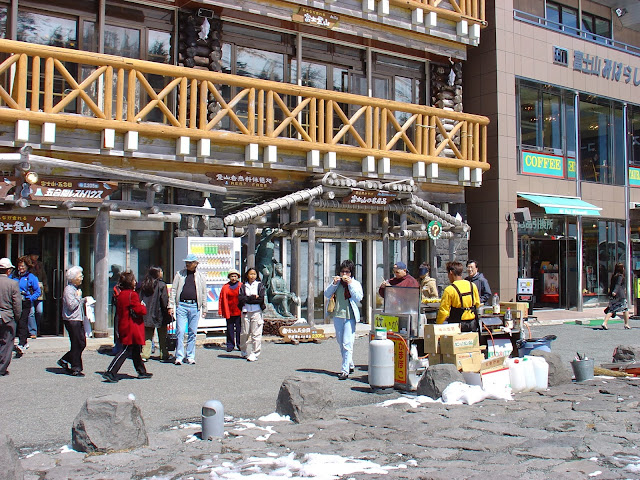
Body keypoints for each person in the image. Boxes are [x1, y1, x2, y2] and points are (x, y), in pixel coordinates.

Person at [102, 271, 151, 383]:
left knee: (135, 350)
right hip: (131, 326)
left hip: (125, 324)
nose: (135, 282)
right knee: (126, 350)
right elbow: (139, 310)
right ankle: (111, 371)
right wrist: (143, 307)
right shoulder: (132, 295)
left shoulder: (122, 294)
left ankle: (141, 371)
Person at [324, 259, 363, 380]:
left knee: (347, 343)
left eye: (347, 272)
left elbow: (358, 297)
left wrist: (350, 283)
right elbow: (326, 293)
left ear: (351, 273)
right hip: (338, 315)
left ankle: (344, 370)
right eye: (342, 272)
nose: (345, 274)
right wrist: (334, 283)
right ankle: (350, 364)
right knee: (341, 342)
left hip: (350, 316)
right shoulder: (337, 283)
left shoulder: (355, 283)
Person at [170, 253, 207, 365]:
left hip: (195, 306)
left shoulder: (200, 276)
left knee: (192, 332)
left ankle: (190, 355)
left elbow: (204, 292)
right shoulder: (179, 274)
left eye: (190, 262)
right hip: (182, 305)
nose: (187, 264)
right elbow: (174, 290)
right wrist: (171, 305)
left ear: (196, 264)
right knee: (180, 331)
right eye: (186, 262)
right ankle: (179, 356)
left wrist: (204, 308)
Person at [57, 266, 87, 376]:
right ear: (73, 278)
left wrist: (84, 300)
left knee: (81, 342)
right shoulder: (69, 290)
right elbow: (71, 305)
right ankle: (76, 367)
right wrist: (79, 297)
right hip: (72, 319)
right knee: (77, 343)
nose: (82, 278)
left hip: (77, 318)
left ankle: (65, 359)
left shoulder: (74, 289)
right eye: (80, 276)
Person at [437, 261, 481, 333]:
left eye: (448, 274)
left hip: (457, 325)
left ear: (451, 273)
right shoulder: (472, 285)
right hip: (472, 324)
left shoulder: (449, 290)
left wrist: (438, 326)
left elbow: (443, 312)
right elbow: (477, 304)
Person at [139, 266, 172, 362]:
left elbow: (140, 298)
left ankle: (145, 355)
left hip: (147, 313)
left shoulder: (144, 284)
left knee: (148, 336)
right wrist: (167, 309)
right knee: (162, 335)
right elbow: (164, 300)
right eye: (160, 271)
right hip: (159, 313)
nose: (162, 273)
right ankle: (164, 354)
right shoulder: (161, 285)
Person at [10, 256, 40, 358]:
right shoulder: (13, 275)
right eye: (19, 266)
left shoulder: (31, 277)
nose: (20, 268)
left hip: (25, 302)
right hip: (14, 302)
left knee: (23, 322)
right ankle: (15, 341)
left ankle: (22, 343)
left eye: (22, 266)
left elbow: (37, 292)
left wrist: (30, 298)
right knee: (13, 321)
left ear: (27, 266)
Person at [238, 268, 266, 362]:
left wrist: (249, 298)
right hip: (246, 310)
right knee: (244, 332)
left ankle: (255, 352)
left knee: (256, 333)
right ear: (247, 275)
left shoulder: (259, 285)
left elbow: (261, 299)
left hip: (257, 311)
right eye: (251, 274)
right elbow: (241, 298)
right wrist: (253, 297)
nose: (252, 276)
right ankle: (243, 350)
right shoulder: (243, 286)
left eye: (254, 274)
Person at [0, 258, 22, 377]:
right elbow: (17, 304)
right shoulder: (13, 284)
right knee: (7, 343)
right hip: (7, 316)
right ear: (8, 271)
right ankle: (2, 368)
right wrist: (17, 317)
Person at [218, 268, 242, 352]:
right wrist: (220, 311)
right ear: (229, 277)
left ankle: (240, 344)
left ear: (237, 277)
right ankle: (230, 345)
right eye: (232, 276)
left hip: (239, 311)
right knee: (229, 329)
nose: (233, 278)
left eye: (235, 276)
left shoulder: (241, 286)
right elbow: (221, 299)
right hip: (229, 311)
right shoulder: (225, 287)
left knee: (240, 329)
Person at [602, 262, 631, 330]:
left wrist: (612, 292)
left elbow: (612, 285)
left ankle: (605, 323)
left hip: (614, 296)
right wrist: (615, 291)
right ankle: (626, 324)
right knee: (624, 309)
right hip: (620, 295)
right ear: (621, 269)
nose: (624, 269)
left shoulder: (614, 276)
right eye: (623, 267)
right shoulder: (620, 276)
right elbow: (618, 284)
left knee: (613, 309)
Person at [28, 251, 47, 338]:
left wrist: (46, 286)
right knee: (31, 311)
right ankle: (32, 331)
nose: (35, 257)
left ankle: (38, 328)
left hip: (39, 288)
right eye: (34, 255)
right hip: (29, 288)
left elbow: (44, 276)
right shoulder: (28, 264)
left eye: (37, 255)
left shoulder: (40, 264)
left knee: (39, 311)